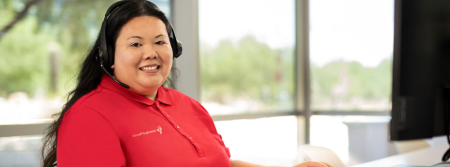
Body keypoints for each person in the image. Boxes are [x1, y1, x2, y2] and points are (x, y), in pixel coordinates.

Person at [41, 0, 333, 167]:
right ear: (109, 56)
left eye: (159, 41)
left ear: (173, 49)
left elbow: (222, 166)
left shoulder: (187, 105)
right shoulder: (88, 115)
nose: (151, 52)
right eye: (135, 44)